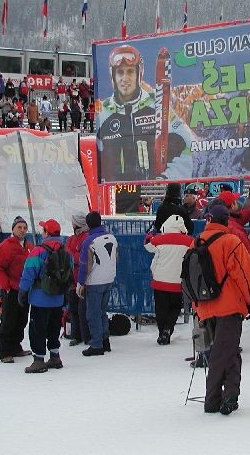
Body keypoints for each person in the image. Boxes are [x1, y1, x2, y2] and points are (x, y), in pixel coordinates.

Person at [192, 204, 250, 415]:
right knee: (224, 354)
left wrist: (196, 305)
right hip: (229, 306)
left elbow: (190, 277)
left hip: (205, 306)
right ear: (226, 221)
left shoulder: (197, 242)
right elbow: (245, 275)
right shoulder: (231, 242)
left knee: (228, 352)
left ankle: (230, 395)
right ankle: (214, 400)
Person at [97, 44, 192, 181]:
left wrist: (166, 179)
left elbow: (186, 148)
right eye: (120, 72)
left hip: (152, 192)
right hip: (118, 195)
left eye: (130, 71)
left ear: (139, 74)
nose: (125, 78)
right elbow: (96, 163)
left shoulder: (157, 106)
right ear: (113, 76)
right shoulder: (103, 116)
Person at [18, 219, 73, 373]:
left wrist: (22, 292)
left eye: (43, 230)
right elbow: (70, 273)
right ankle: (55, 356)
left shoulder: (38, 251)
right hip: (58, 298)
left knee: (37, 329)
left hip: (40, 299)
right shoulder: (66, 251)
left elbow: (28, 273)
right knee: (54, 327)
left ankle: (38, 360)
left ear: (47, 233)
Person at [0, 216, 33, 363]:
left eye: (24, 227)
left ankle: (15, 346)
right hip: (12, 288)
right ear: (13, 229)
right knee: (9, 319)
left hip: (25, 288)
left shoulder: (29, 245)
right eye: (19, 227)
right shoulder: (5, 246)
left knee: (21, 319)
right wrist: (6, 286)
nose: (22, 230)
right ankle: (5, 350)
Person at [144, 214, 193, 345]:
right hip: (178, 281)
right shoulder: (189, 241)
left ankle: (162, 333)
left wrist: (150, 235)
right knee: (176, 307)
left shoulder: (159, 239)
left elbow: (147, 246)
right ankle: (168, 328)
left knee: (161, 308)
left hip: (160, 280)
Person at [76, 212, 118, 356]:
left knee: (93, 313)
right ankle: (105, 340)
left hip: (95, 281)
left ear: (88, 225)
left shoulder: (89, 242)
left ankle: (96, 344)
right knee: (102, 312)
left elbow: (84, 265)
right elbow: (116, 258)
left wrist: (80, 283)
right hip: (109, 278)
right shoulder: (112, 238)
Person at [65, 214, 91, 346]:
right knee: (73, 309)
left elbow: (82, 258)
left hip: (83, 280)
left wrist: (72, 254)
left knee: (82, 310)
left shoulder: (86, 238)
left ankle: (86, 335)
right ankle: (76, 335)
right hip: (72, 279)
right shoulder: (71, 238)